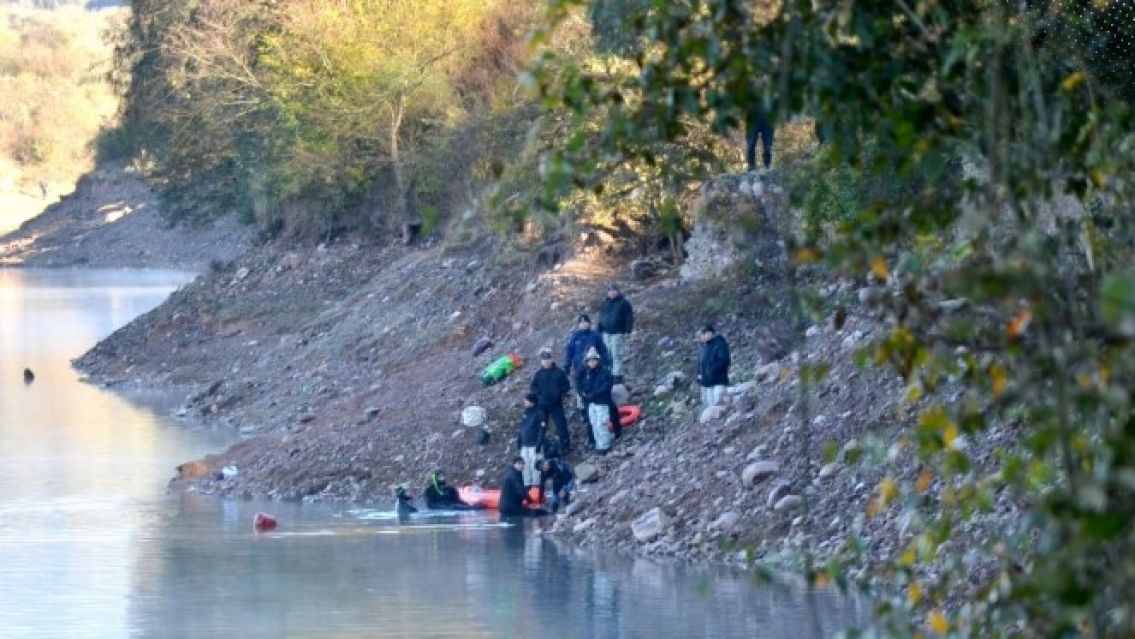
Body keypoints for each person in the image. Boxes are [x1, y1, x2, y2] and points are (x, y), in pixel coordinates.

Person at [563, 314, 609, 434]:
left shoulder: (595, 336)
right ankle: (584, 414)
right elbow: (569, 352)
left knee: (595, 389)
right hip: (579, 369)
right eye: (581, 322)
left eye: (585, 322)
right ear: (578, 324)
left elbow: (603, 350)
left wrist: (607, 363)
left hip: (595, 368)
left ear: (589, 323)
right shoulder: (575, 337)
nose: (583, 324)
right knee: (580, 392)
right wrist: (567, 366)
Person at [530, 348, 572, 452]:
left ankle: (565, 445)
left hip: (556, 404)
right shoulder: (538, 374)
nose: (546, 361)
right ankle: (540, 447)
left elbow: (566, 385)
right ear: (541, 361)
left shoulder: (559, 373)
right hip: (543, 405)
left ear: (552, 360)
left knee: (561, 425)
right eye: (544, 360)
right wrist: (539, 396)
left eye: (548, 359)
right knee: (542, 426)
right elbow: (533, 387)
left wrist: (559, 393)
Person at [577, 346, 619, 452]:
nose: (592, 363)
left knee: (602, 424)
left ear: (597, 360)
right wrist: (583, 394)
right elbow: (580, 384)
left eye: (594, 360)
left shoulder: (604, 371)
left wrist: (594, 394)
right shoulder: (585, 372)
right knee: (594, 423)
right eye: (590, 360)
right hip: (591, 402)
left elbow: (607, 386)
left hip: (602, 402)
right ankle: (599, 444)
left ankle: (605, 445)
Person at [596, 283, 634, 382]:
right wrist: (599, 329)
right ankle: (607, 373)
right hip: (606, 333)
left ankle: (617, 375)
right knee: (606, 354)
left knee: (616, 353)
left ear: (618, 291)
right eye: (610, 291)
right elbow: (601, 317)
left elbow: (628, 317)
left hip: (618, 332)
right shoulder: (605, 303)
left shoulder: (624, 303)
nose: (612, 293)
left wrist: (627, 330)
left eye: (614, 290)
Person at [516, 393, 546, 491]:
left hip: (534, 445)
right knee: (524, 465)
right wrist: (519, 441)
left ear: (532, 402)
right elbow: (521, 428)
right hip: (525, 445)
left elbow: (542, 430)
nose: (525, 402)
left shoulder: (539, 413)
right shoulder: (525, 413)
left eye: (526, 400)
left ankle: (536, 485)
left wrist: (539, 443)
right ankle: (527, 485)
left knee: (535, 466)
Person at [697, 325, 731, 407]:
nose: (703, 336)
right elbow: (700, 363)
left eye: (705, 333)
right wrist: (699, 374)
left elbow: (724, 360)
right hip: (707, 382)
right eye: (702, 334)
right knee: (710, 405)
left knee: (719, 402)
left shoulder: (720, 344)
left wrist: (712, 370)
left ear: (711, 333)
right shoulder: (703, 347)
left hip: (719, 379)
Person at [745, 106, 774, 171]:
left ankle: (767, 165)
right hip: (753, 116)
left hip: (768, 117)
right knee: (751, 144)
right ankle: (751, 165)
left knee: (768, 145)